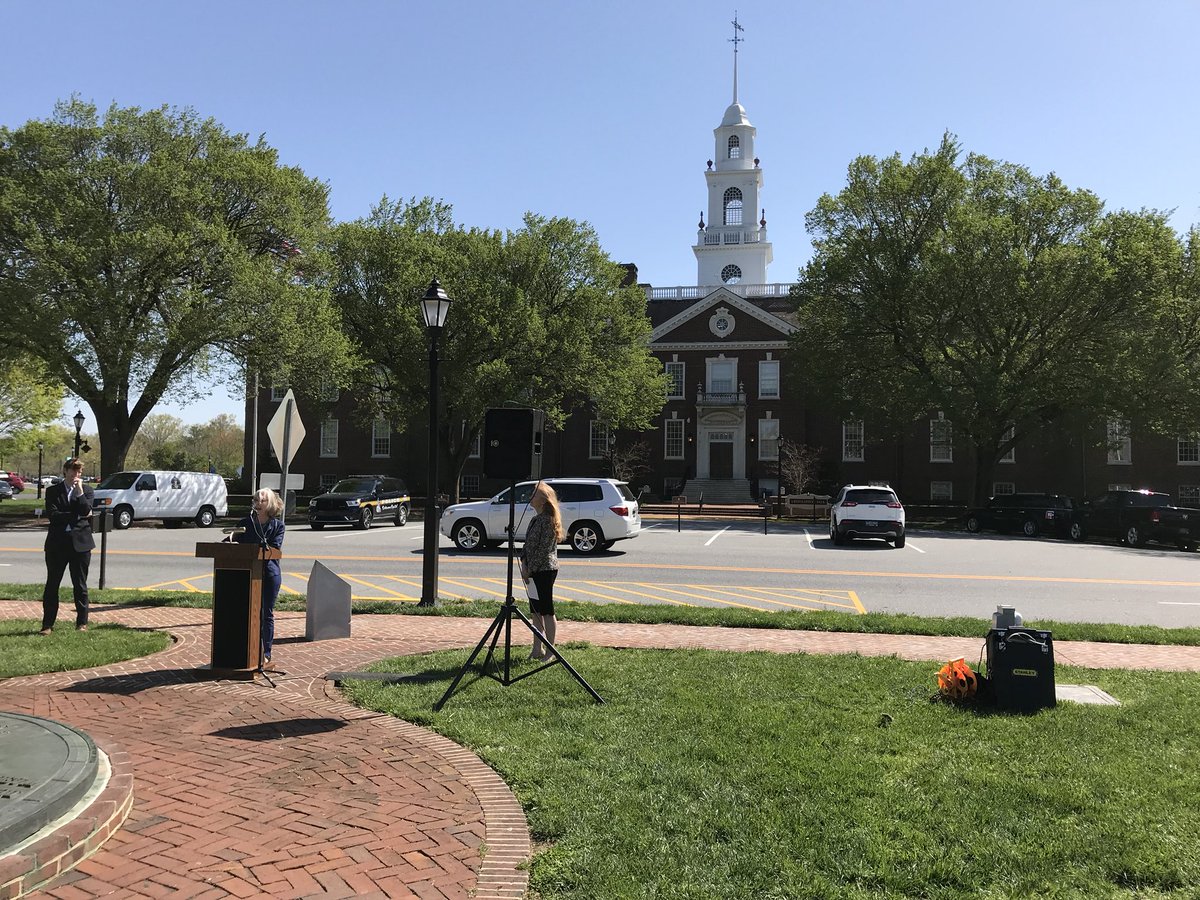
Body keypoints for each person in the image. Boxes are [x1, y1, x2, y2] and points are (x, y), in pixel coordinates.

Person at [229, 488, 285, 671]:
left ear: (268, 503)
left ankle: (265, 653)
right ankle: (246, 650)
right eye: (255, 499)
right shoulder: (246, 522)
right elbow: (232, 540)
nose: (257, 502)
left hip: (269, 574)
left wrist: (260, 546)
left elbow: (274, 548)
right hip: (247, 573)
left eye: (261, 499)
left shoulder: (278, 526)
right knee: (246, 612)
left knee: (265, 613)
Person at [41, 458, 96, 634]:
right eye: (73, 471)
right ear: (65, 471)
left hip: (80, 545)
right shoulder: (52, 491)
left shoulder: (87, 491)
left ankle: (82, 623)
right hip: (57, 545)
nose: (76, 475)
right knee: (52, 585)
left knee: (80, 585)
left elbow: (87, 511)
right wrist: (76, 516)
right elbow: (53, 515)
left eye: (79, 472)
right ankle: (47, 625)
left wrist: (79, 494)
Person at [521, 482, 563, 661]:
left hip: (544, 569)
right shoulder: (536, 519)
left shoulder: (547, 520)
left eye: (534, 493)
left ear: (543, 500)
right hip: (533, 569)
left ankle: (551, 650)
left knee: (546, 610)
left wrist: (530, 569)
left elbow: (542, 549)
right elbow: (528, 545)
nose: (530, 496)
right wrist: (524, 564)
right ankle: (537, 648)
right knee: (535, 610)